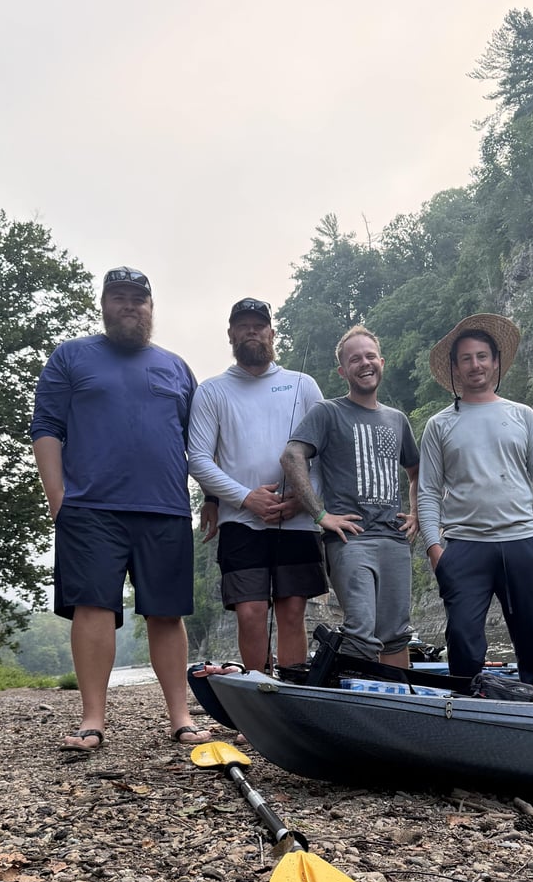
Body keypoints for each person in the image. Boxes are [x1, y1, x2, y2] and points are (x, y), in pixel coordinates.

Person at [30, 265, 211, 750]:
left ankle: (180, 717)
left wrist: (211, 496)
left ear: (151, 308)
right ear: (104, 305)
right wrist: (57, 500)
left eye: (138, 298)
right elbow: (46, 427)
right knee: (93, 607)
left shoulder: (177, 367)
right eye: (119, 297)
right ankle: (92, 719)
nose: (129, 305)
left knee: (167, 613)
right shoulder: (71, 356)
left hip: (166, 507)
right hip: (90, 509)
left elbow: (199, 442)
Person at [417, 313, 533, 683]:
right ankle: (468, 705)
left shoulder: (523, 415)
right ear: (455, 367)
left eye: (482, 356)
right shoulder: (439, 425)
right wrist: (435, 549)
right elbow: (428, 491)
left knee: (532, 645)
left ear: (496, 361)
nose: (475, 365)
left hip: (523, 542)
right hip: (464, 546)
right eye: (466, 358)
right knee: (463, 641)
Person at [188, 297, 327, 673]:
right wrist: (246, 498)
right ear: (231, 334)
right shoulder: (212, 391)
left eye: (259, 325)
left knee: (293, 610)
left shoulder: (303, 385)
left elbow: (324, 453)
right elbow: (198, 458)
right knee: (250, 613)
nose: (252, 331)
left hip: (297, 520)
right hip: (241, 522)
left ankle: (292, 694)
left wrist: (304, 498)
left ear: (272, 333)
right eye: (243, 325)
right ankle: (257, 692)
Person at [281, 326, 419, 668]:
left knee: (396, 633)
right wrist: (320, 514)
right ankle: (357, 695)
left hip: (394, 539)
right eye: (355, 359)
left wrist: (416, 513)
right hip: (351, 539)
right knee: (360, 629)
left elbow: (416, 471)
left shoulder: (397, 419)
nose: (364, 363)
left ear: (382, 362)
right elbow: (292, 456)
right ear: (343, 371)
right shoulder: (328, 412)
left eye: (370, 356)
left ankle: (397, 698)